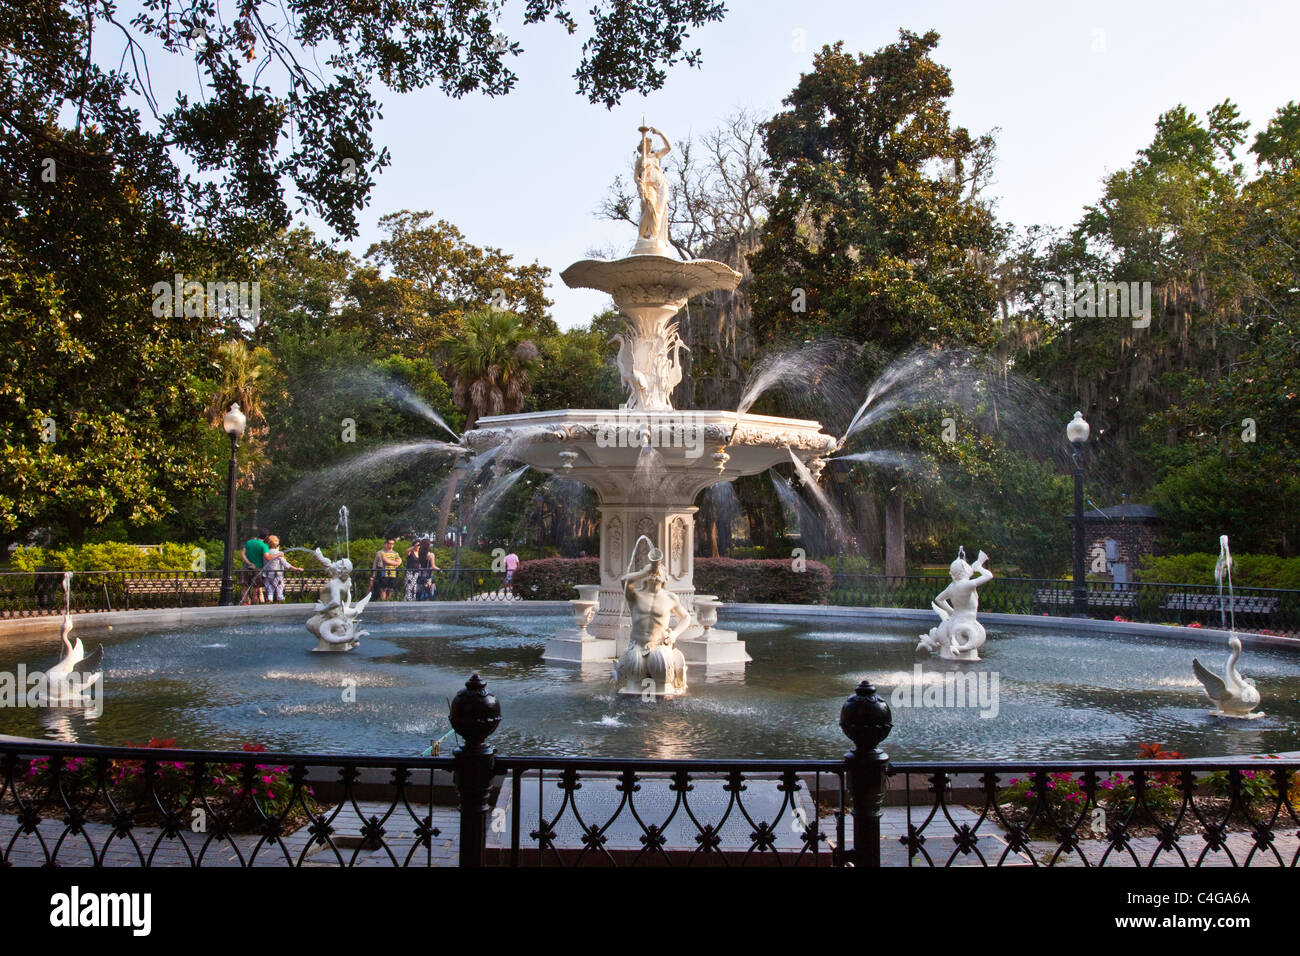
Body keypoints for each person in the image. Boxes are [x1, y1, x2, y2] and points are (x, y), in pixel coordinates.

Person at [261, 534, 302, 604]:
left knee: (269, 590)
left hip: (267, 575)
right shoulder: (278, 553)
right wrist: (296, 568)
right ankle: (280, 606)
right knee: (279, 590)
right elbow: (285, 564)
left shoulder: (265, 553)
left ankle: (269, 603)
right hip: (277, 575)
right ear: (277, 544)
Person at [240, 531, 268, 605]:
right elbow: (267, 557)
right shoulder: (263, 545)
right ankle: (255, 603)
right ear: (266, 537)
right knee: (256, 587)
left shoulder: (249, 542)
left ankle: (244, 603)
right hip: (257, 569)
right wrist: (278, 554)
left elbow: (242, 554)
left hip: (246, 567)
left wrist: (248, 563)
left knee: (245, 586)